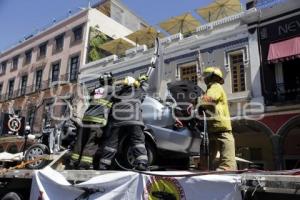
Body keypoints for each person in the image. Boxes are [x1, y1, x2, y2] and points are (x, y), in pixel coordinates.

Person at [93, 75, 149, 171]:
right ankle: (141, 163)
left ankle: (103, 165)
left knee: (111, 144)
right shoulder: (139, 91)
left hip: (117, 121)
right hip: (134, 120)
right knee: (137, 141)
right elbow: (145, 87)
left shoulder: (117, 93)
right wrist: (142, 80)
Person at [200, 66, 236, 171]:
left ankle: (227, 166)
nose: (204, 79)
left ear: (211, 77)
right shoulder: (212, 88)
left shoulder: (215, 87)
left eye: (206, 76)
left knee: (225, 142)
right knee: (210, 146)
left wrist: (196, 101)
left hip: (219, 124)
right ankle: (205, 166)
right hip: (213, 125)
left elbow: (208, 99)